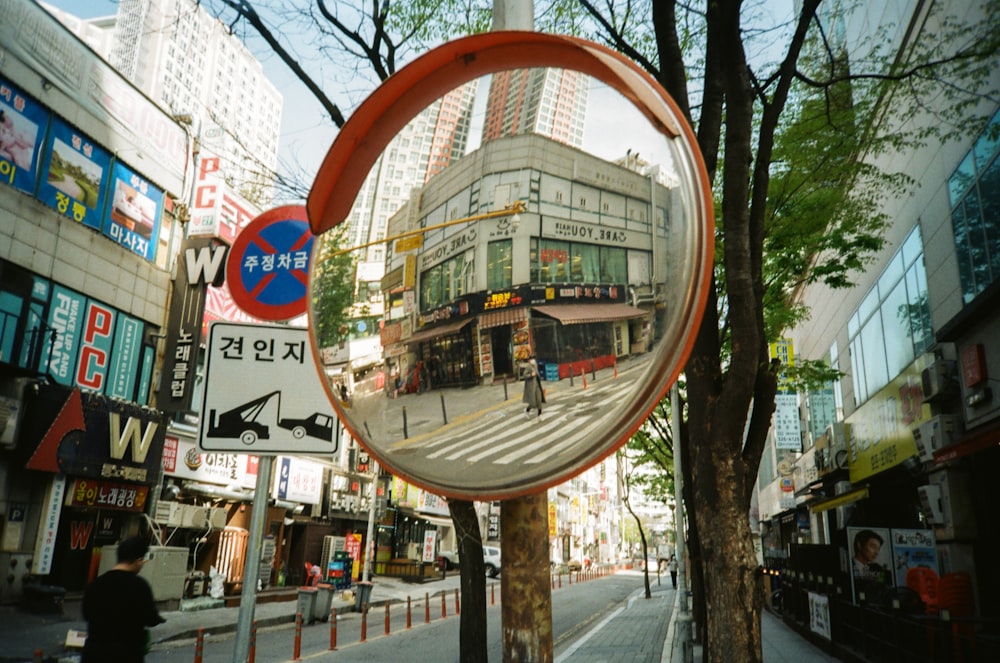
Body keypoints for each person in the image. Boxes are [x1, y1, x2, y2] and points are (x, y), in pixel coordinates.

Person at [82, 536, 165, 663]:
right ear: (138, 560)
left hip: (94, 653)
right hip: (126, 653)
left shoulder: (97, 584)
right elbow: (150, 617)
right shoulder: (139, 585)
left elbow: (86, 614)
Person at [852, 529, 889, 602]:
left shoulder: (878, 568)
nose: (876, 552)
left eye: (878, 549)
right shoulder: (847, 566)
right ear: (859, 545)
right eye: (873, 547)